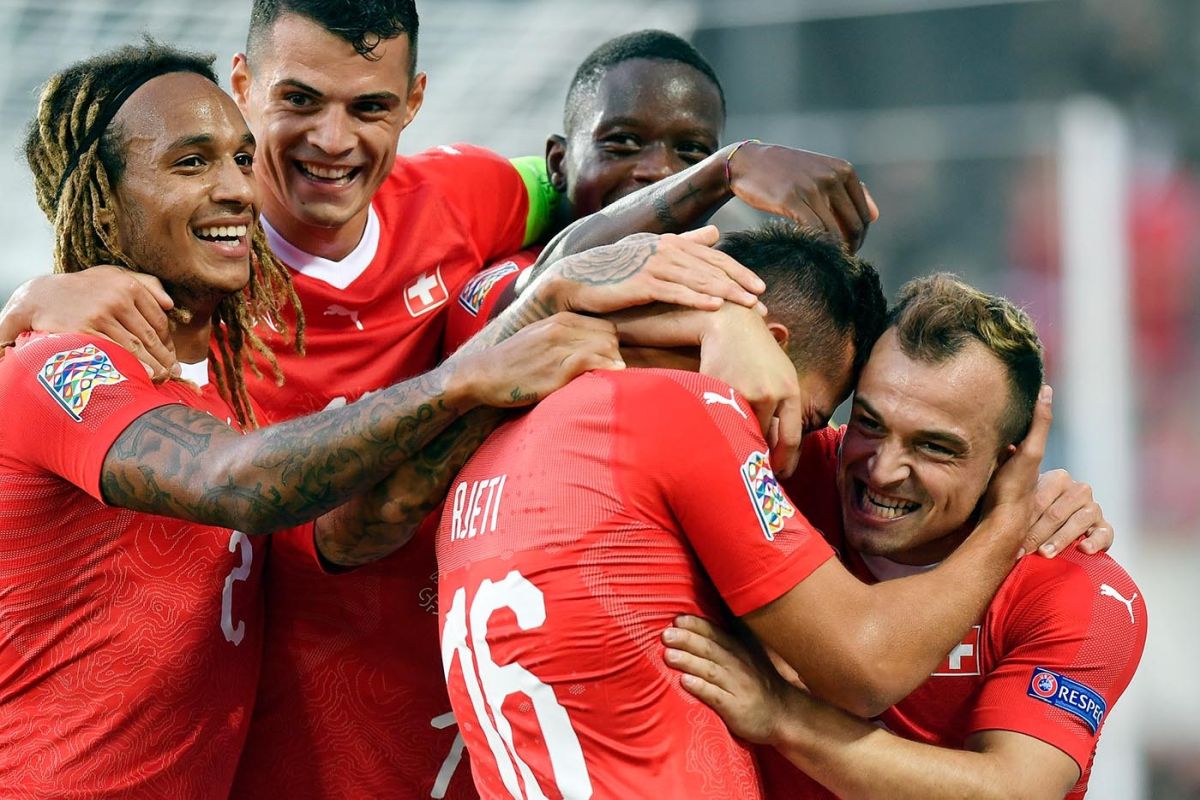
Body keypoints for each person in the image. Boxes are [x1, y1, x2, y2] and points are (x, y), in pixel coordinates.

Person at [0, 8, 874, 796]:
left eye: (234, 158)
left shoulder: (238, 353)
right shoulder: (66, 362)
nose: (241, 185)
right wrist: (24, 306)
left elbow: (586, 204)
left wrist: (727, 249)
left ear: (412, 103)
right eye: (193, 163)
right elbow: (234, 478)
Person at [435, 223, 1071, 797]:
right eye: (816, 418)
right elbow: (865, 666)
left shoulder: (487, 449)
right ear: (768, 343)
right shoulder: (692, 415)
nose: (789, 454)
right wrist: (1008, 514)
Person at [662, 275, 1146, 800]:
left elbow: (1013, 791)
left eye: (934, 447)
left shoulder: (1082, 591)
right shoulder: (787, 469)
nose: (883, 469)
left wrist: (783, 714)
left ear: (1005, 466)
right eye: (869, 424)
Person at [445, 28, 877, 355]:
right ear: (559, 163)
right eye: (623, 142)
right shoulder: (496, 279)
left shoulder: (731, 299)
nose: (660, 172)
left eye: (690, 152)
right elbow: (534, 302)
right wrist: (723, 169)